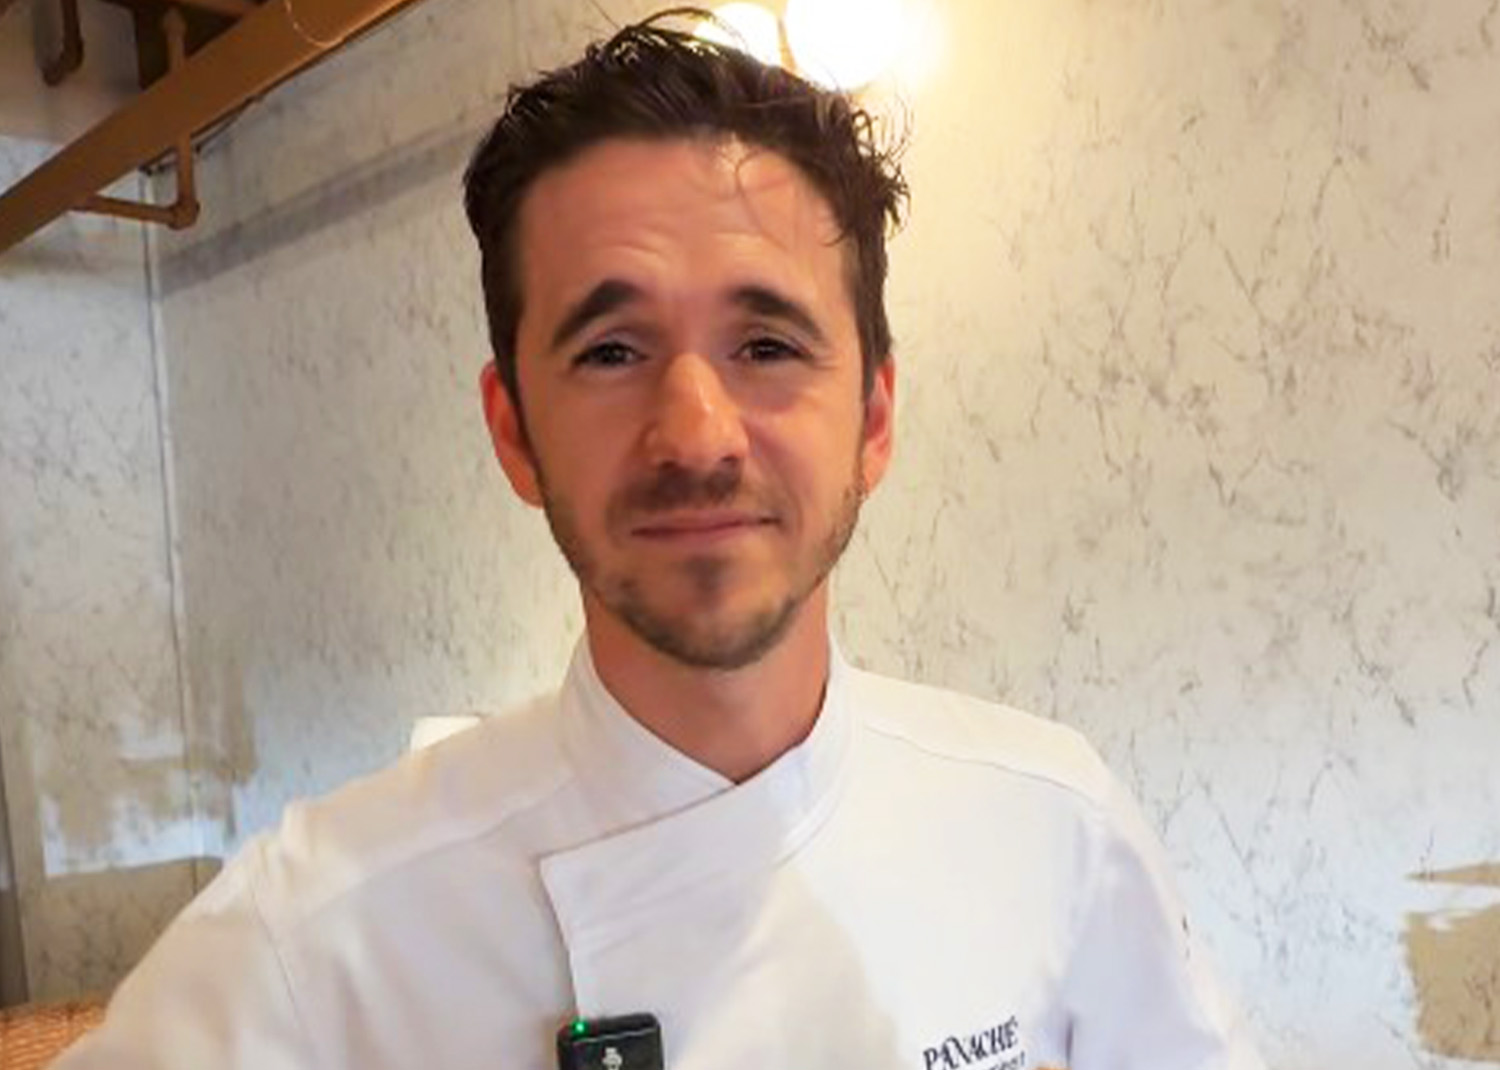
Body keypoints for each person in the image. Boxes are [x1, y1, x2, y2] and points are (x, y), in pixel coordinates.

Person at [58, 11, 1264, 1070]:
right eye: (612, 350)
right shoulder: (311, 937)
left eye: (769, 345)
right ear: (514, 432)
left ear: (874, 420)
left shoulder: (1051, 822)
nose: (696, 434)